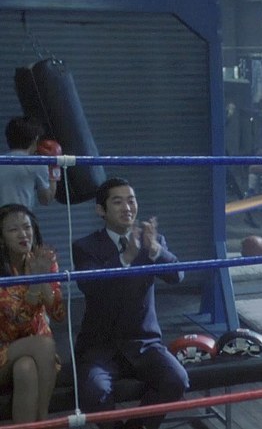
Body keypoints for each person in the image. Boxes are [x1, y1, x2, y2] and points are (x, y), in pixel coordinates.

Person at [72, 177, 188, 429]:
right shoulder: (85, 246)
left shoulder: (152, 241)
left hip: (144, 343)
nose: (127, 208)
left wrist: (155, 250)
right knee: (94, 392)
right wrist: (125, 257)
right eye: (117, 202)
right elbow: (89, 285)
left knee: (177, 379)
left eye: (131, 201)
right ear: (101, 210)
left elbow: (177, 276)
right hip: (100, 347)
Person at [0, 204, 65, 423]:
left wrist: (43, 277)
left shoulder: (43, 260)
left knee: (25, 367)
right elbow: (15, 323)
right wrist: (36, 283)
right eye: (13, 229)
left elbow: (58, 314)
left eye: (27, 227)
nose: (23, 234)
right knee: (44, 344)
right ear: (1, 238)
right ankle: (44, 421)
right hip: (4, 348)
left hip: (37, 357)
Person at [0, 116, 59, 208]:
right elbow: (46, 199)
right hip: (21, 216)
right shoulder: (37, 163)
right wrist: (54, 167)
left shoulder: (2, 160)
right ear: (35, 139)